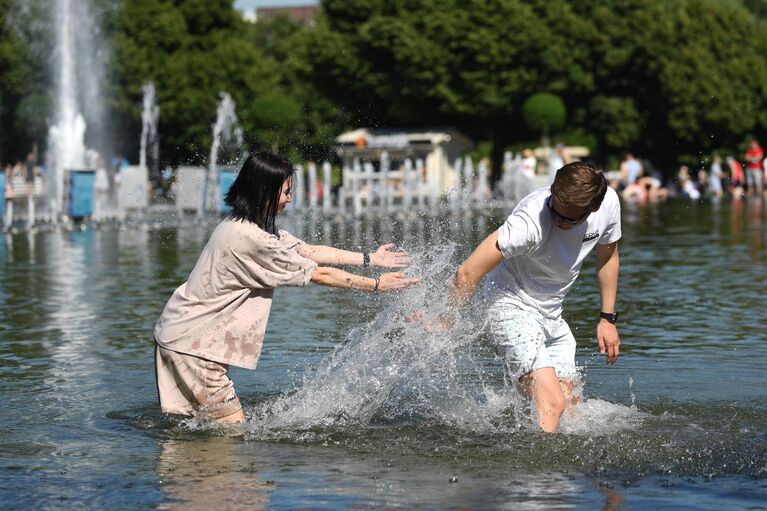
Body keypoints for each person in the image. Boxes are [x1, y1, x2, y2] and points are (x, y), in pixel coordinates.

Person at [153, 152, 420, 423]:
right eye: (286, 192)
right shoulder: (251, 238)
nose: (290, 199)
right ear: (264, 191)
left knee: (193, 431)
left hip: (180, 336)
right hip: (194, 349)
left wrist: (369, 259)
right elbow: (319, 274)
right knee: (231, 436)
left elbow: (308, 251)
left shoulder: (244, 222)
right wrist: (377, 285)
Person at [446, 162, 621, 433]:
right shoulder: (528, 224)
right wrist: (447, 318)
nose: (558, 221)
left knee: (571, 409)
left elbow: (607, 256)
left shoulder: (608, 203)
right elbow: (467, 272)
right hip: (508, 302)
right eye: (555, 211)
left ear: (593, 208)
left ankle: (519, 441)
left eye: (569, 219)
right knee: (552, 403)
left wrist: (607, 318)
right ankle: (541, 474)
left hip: (551, 314)